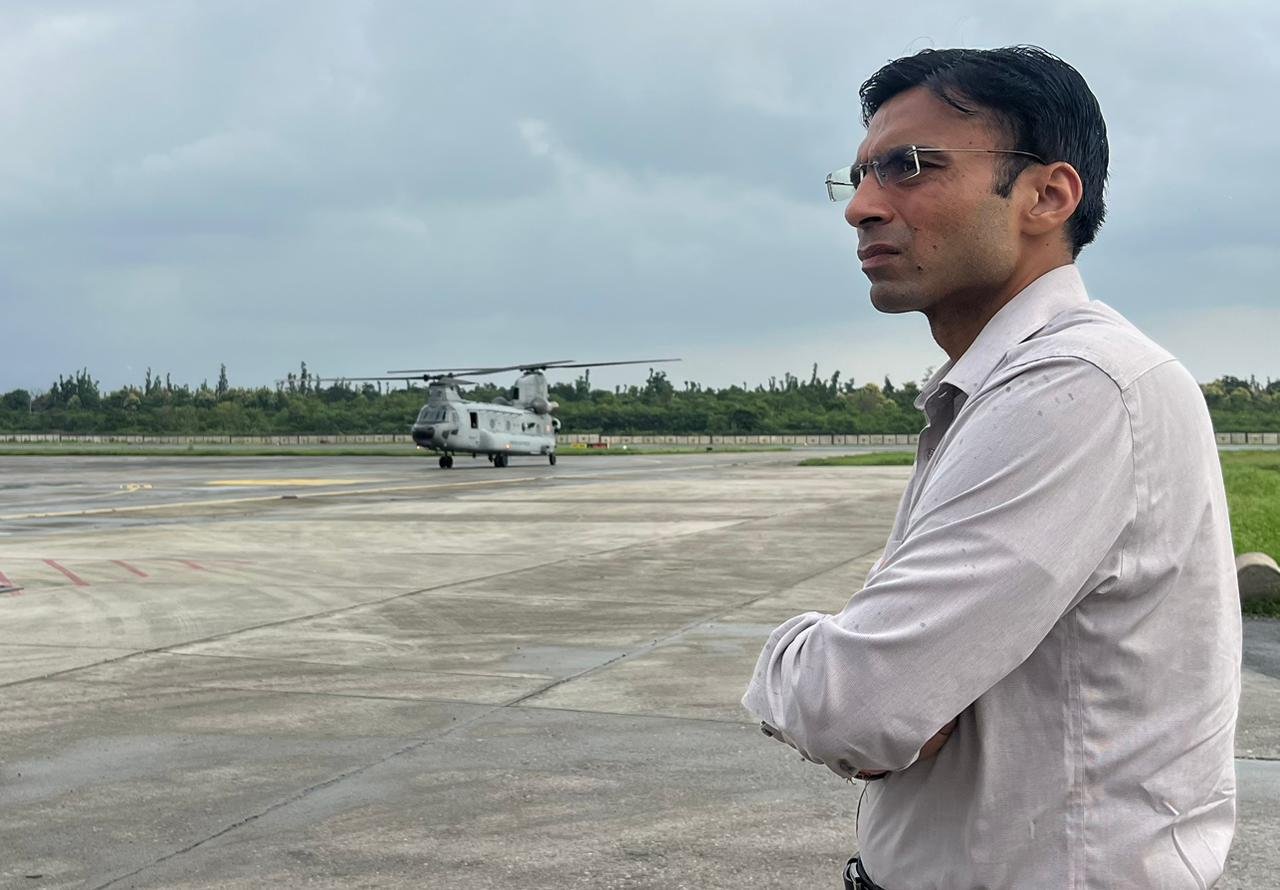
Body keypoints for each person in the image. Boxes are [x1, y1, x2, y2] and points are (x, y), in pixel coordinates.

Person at [742, 46, 1240, 889]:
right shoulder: (998, 387)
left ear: (1047, 196)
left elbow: (857, 708)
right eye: (858, 176)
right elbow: (896, 701)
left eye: (910, 166)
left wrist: (786, 655)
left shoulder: (1076, 386)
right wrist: (888, 683)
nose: (862, 207)